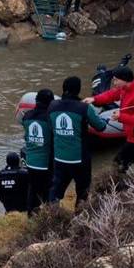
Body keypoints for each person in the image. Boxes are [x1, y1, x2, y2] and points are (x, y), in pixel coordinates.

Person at [48, 77, 109, 205]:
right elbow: (101, 127)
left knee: (56, 190)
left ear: (63, 88)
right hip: (79, 159)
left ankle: (51, 216)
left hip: (59, 158)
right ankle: (80, 217)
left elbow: (50, 127)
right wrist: (106, 120)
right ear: (78, 90)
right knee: (83, 190)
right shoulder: (84, 108)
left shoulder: (52, 106)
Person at [87, 66, 134, 172]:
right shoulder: (125, 88)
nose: (113, 82)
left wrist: (121, 116)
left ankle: (124, 183)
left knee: (120, 162)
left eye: (116, 79)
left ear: (124, 79)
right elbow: (111, 94)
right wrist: (94, 99)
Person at [22, 89, 56, 211]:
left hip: (30, 162)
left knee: (33, 190)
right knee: (48, 190)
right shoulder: (51, 118)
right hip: (46, 163)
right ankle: (48, 216)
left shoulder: (26, 116)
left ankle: (31, 214)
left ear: (36, 101)